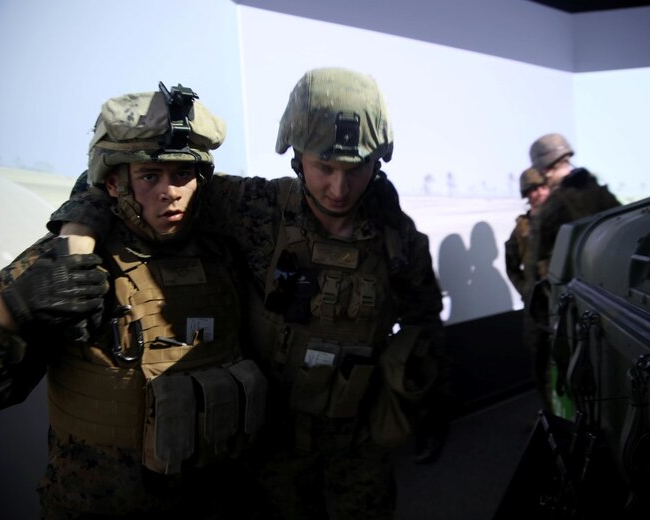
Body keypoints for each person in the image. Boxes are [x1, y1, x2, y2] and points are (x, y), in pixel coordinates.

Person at [49, 67, 452, 520]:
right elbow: (127, 181)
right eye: (324, 167)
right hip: (270, 445)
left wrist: (429, 411)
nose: (339, 189)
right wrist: (75, 237)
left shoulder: (399, 242)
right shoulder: (257, 210)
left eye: (355, 170)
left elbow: (425, 327)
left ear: (376, 164)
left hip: (358, 444)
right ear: (297, 155)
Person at [0, 83, 266, 519]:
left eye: (182, 175)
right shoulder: (70, 261)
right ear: (117, 182)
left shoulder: (223, 253)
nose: (169, 192)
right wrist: (9, 312)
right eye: (150, 175)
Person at [526, 133, 621, 417]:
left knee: (567, 375)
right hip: (608, 301)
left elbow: (533, 269)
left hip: (568, 309)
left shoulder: (553, 206)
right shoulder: (599, 192)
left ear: (543, 169)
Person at [504, 166, 552, 412]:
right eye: (533, 190)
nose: (539, 193)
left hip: (563, 306)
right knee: (539, 364)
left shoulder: (562, 221)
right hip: (535, 310)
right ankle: (548, 416)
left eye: (542, 187)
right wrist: (524, 288)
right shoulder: (522, 228)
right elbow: (511, 263)